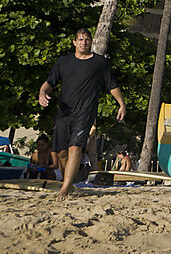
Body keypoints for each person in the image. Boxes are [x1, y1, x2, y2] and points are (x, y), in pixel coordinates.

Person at [38, 28, 125, 197]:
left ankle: (64, 189)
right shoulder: (63, 61)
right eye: (80, 39)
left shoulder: (99, 62)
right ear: (74, 42)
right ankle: (68, 183)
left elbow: (112, 85)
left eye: (86, 40)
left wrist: (121, 104)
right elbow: (49, 82)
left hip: (85, 112)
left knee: (75, 147)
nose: (83, 42)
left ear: (91, 42)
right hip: (64, 112)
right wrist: (42, 93)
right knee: (61, 152)